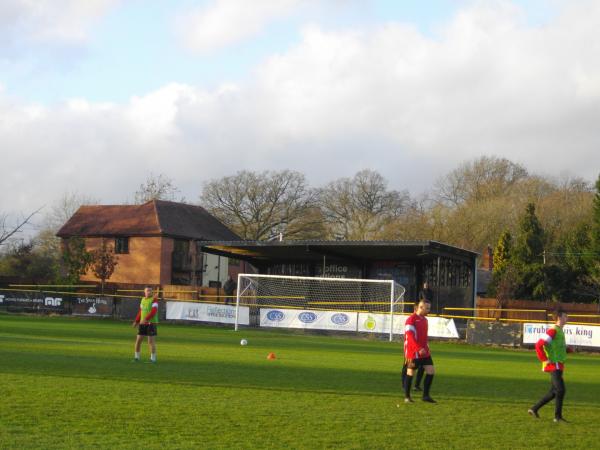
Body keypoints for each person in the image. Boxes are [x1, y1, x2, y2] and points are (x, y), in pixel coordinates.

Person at [528, 309, 572, 422]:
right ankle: (557, 417)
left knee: (554, 392)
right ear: (559, 318)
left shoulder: (560, 331)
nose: (567, 318)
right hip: (554, 364)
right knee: (561, 390)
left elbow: (556, 346)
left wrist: (568, 349)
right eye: (565, 316)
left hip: (559, 364)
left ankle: (534, 409)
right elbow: (539, 345)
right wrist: (544, 359)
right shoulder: (553, 331)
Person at [403, 299, 436, 403]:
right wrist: (418, 348)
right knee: (410, 372)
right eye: (427, 308)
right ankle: (407, 397)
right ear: (420, 307)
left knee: (431, 371)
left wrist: (426, 348)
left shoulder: (425, 320)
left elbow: (424, 337)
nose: (428, 310)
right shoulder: (411, 320)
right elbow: (410, 336)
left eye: (429, 308)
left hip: (424, 352)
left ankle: (425, 396)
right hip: (413, 352)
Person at [132, 286, 159, 363]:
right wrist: (136, 321)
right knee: (138, 341)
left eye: (150, 291)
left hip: (151, 323)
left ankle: (153, 359)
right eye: (147, 291)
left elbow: (153, 312)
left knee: (150, 342)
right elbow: (141, 311)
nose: (149, 292)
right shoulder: (143, 300)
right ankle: (136, 358)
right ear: (144, 291)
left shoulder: (154, 300)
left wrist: (145, 319)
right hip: (142, 323)